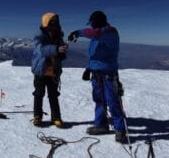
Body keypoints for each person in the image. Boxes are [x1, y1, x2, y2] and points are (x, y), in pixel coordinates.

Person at [68, 10, 127, 143]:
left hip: (108, 74)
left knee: (112, 101)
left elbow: (95, 33)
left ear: (98, 22)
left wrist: (77, 32)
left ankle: (120, 130)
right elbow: (95, 54)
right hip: (96, 73)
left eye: (93, 23)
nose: (92, 26)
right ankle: (101, 125)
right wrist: (88, 69)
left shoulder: (110, 32)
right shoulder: (97, 36)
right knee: (99, 100)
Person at [31, 12, 67, 128]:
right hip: (41, 71)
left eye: (56, 23)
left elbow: (60, 52)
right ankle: (37, 116)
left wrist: (62, 53)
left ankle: (56, 118)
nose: (55, 25)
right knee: (39, 94)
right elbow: (40, 50)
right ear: (46, 23)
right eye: (52, 22)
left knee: (53, 95)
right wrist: (57, 49)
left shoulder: (58, 36)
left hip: (53, 71)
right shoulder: (39, 36)